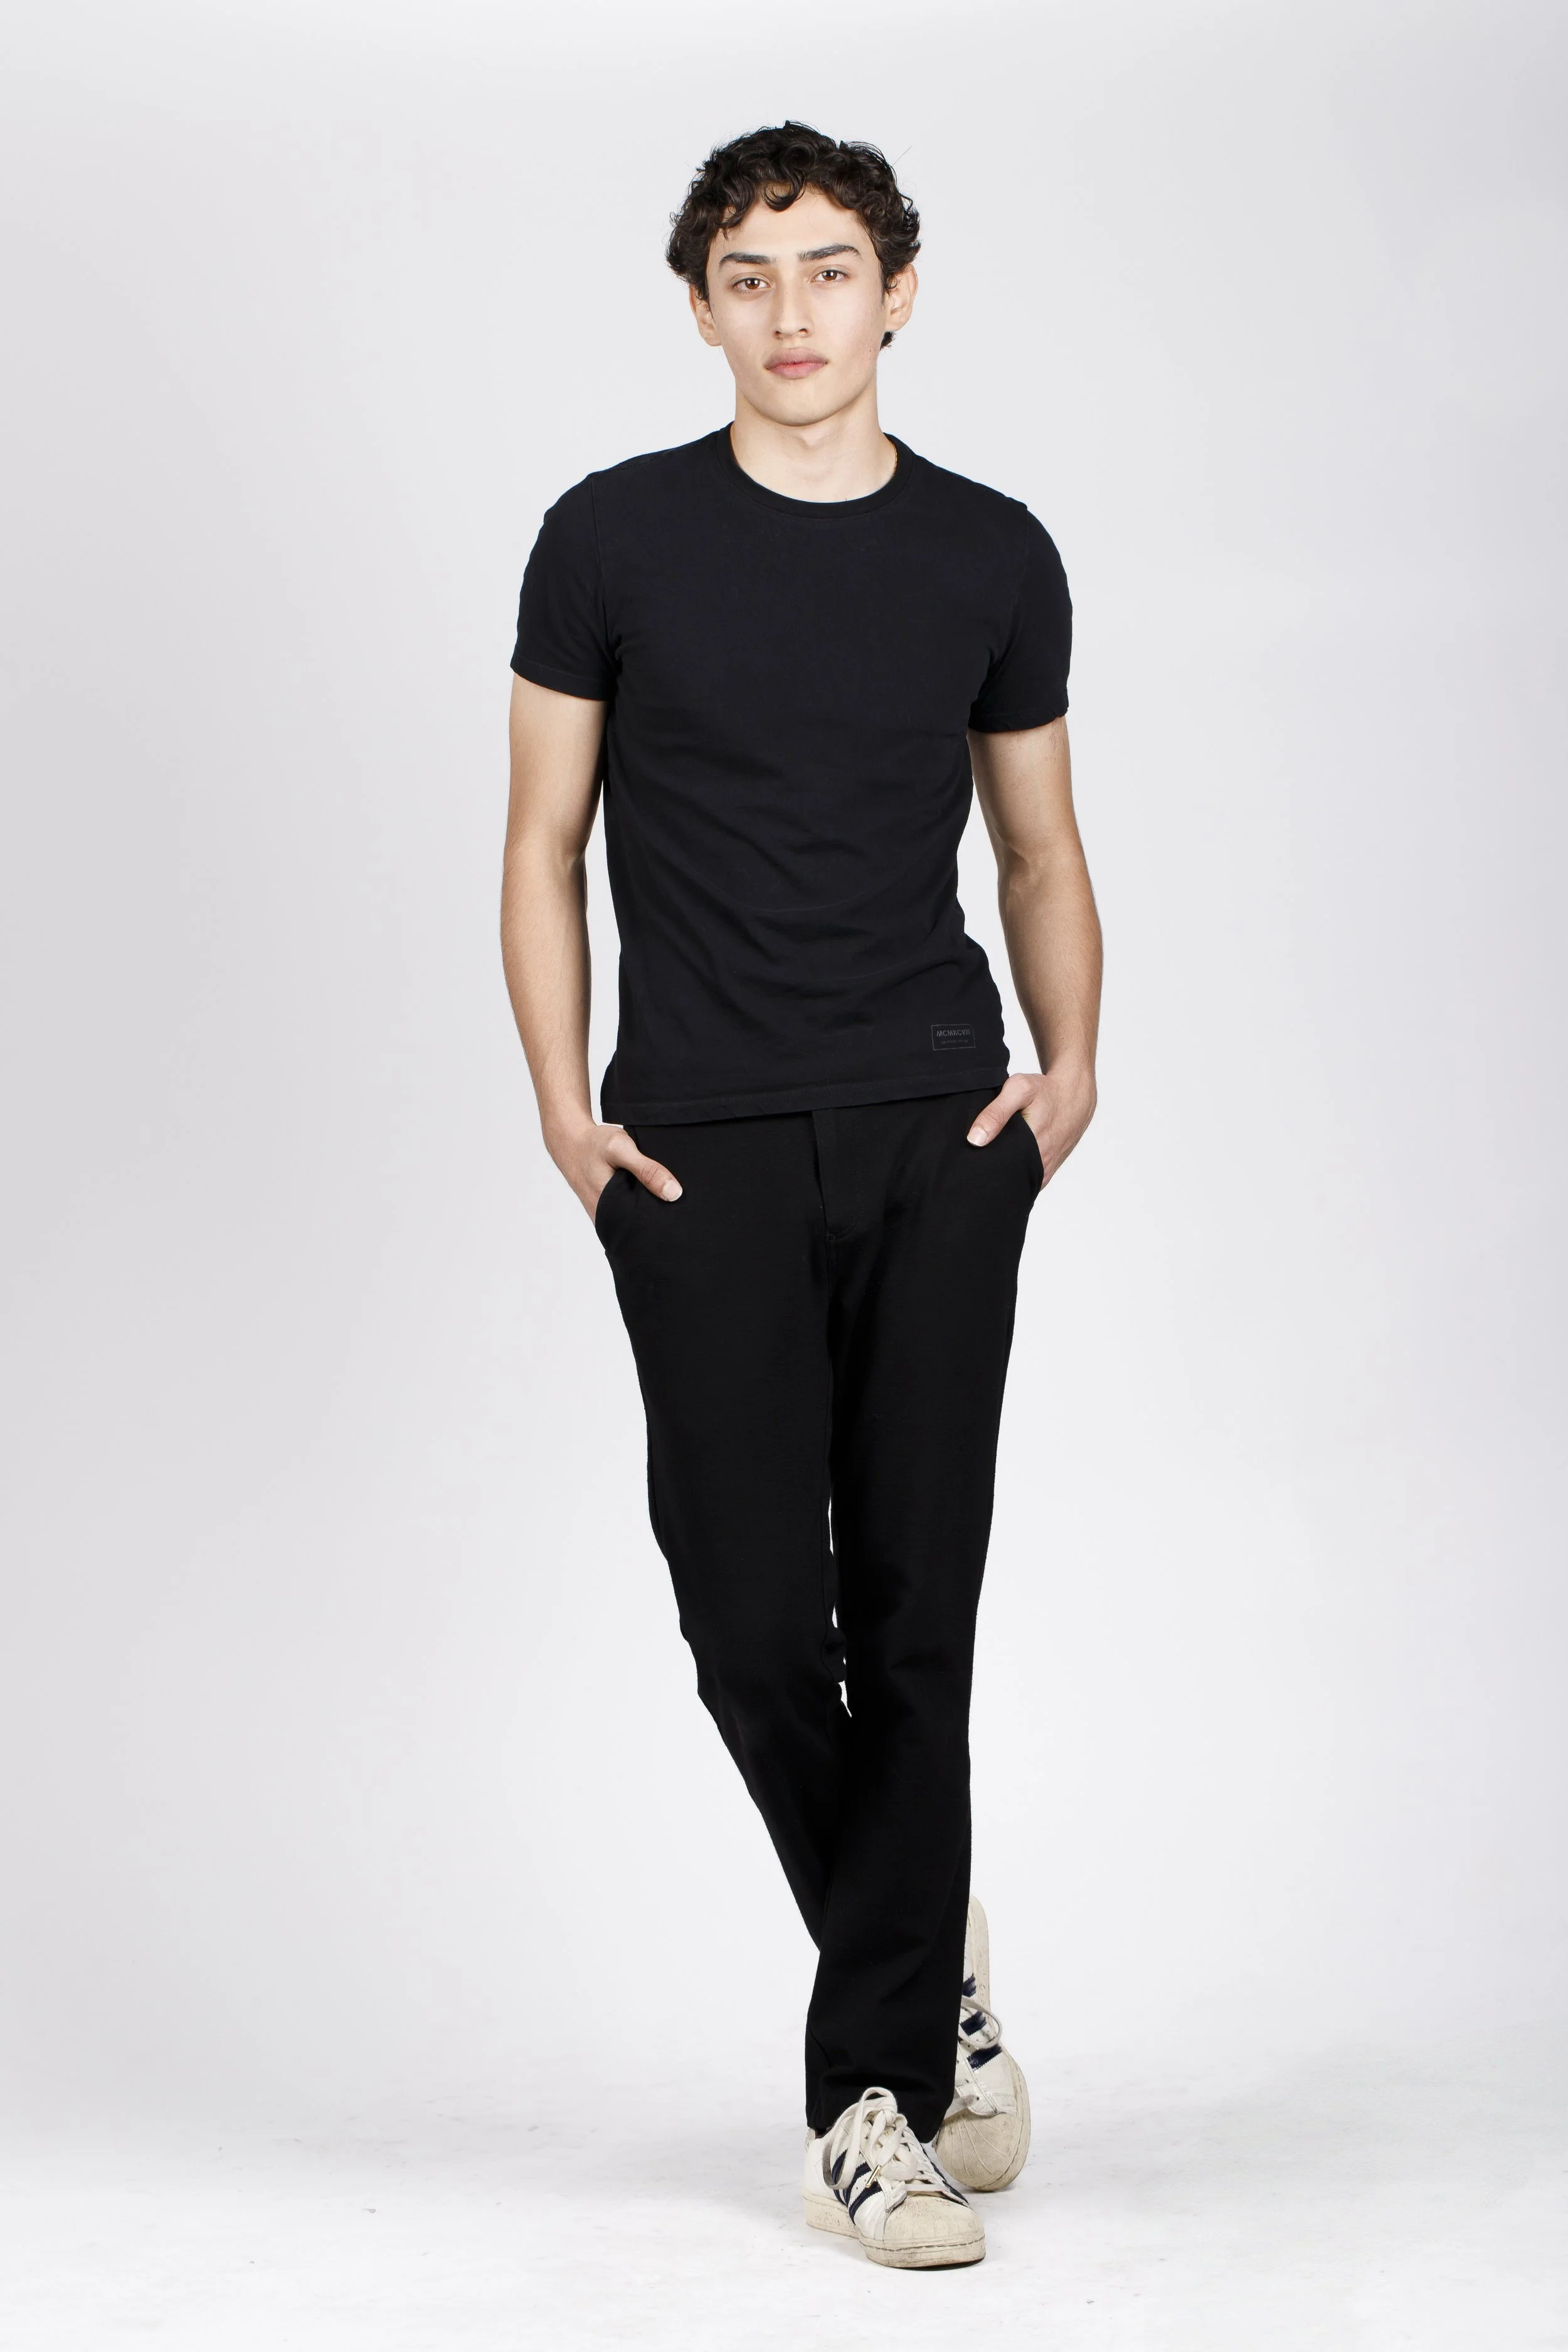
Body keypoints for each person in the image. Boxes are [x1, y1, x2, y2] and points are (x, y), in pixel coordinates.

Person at [501, 121, 1101, 2270]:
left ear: (895, 294)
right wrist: (565, 1113)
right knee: (752, 1616)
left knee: (916, 1616)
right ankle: (918, 1936)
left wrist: (1068, 1074)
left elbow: (1037, 845)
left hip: (938, 1129)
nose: (790, 312)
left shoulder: (989, 551)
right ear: (699, 307)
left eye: (828, 269)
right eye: (747, 276)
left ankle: (874, 2098)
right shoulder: (609, 537)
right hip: (701, 1144)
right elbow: (540, 842)